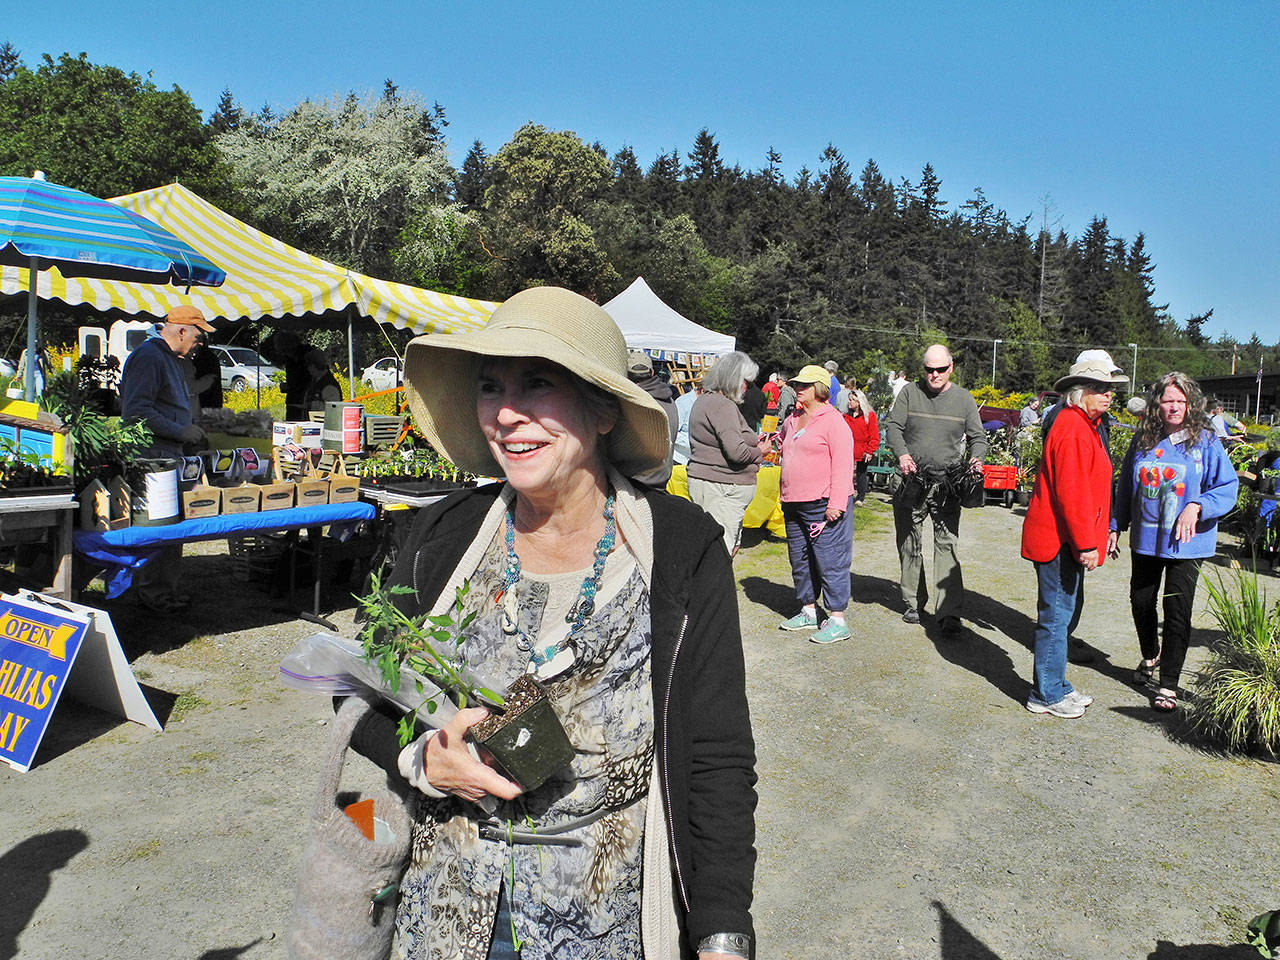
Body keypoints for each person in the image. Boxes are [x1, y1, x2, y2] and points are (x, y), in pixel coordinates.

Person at [350, 286, 757, 960]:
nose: (506, 414)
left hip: (605, 924)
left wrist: (722, 933)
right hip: (446, 916)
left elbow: (717, 754)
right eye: (490, 387)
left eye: (538, 384)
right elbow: (357, 686)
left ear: (604, 410)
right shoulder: (443, 537)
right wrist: (421, 757)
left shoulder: (682, 550)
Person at [1110, 372, 1238, 713]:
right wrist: (1115, 525)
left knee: (1177, 612)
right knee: (1141, 601)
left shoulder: (1206, 441)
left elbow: (1227, 488)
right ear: (1157, 404)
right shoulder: (1143, 440)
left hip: (1187, 543)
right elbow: (1125, 486)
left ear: (1191, 404)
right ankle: (1150, 654)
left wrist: (1197, 506)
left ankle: (1168, 685)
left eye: (1181, 401)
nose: (1175, 407)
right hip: (1147, 541)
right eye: (1168, 400)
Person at [1020, 355, 1129, 718]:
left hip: (1064, 539)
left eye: (1110, 389)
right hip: (1059, 541)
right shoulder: (1072, 427)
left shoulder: (1085, 424)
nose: (1108, 394)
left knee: (1061, 614)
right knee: (1056, 615)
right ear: (1080, 392)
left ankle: (1055, 683)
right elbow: (1073, 495)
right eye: (1100, 388)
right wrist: (1086, 543)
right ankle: (1046, 693)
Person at [884, 344, 987, 633]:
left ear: (951, 368)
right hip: (911, 482)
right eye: (929, 369)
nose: (935, 375)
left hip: (948, 485)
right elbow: (893, 427)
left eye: (941, 369)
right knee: (908, 543)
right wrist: (902, 455)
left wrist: (976, 460)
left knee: (947, 546)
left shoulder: (964, 399)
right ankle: (913, 603)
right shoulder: (909, 393)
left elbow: (978, 437)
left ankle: (948, 613)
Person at [119, 304, 213, 613]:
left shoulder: (171, 358)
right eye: (198, 337)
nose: (201, 344)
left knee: (170, 531)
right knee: (157, 530)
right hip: (152, 459)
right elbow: (136, 412)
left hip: (167, 456)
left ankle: (163, 592)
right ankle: (152, 595)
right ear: (182, 330)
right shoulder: (148, 357)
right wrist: (180, 431)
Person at [776, 364, 855, 644]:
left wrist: (836, 503)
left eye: (805, 385)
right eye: (797, 383)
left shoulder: (834, 422)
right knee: (800, 559)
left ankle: (837, 619)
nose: (798, 388)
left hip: (823, 503)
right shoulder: (792, 418)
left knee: (831, 560)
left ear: (820, 389)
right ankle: (809, 611)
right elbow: (784, 443)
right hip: (793, 502)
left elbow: (844, 466)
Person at [687, 351, 768, 557]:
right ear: (733, 379)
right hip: (722, 489)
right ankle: (713, 590)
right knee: (719, 553)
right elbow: (736, 452)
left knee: (713, 549)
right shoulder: (722, 405)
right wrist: (760, 452)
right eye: (746, 382)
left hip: (714, 486)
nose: (747, 388)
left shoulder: (706, 400)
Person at [626, 349, 679, 487]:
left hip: (636, 483)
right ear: (652, 373)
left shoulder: (634, 402)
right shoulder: (669, 400)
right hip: (662, 479)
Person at [844, 389, 880, 507]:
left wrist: (870, 450)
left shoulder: (869, 416)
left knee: (861, 473)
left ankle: (860, 496)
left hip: (862, 448)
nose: (849, 402)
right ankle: (845, 494)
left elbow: (874, 435)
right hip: (848, 448)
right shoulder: (846, 416)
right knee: (846, 472)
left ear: (858, 402)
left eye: (851, 400)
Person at [301, 348, 342, 414]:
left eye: (309, 365)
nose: (308, 369)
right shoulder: (314, 381)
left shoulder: (329, 385)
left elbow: (333, 410)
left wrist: (310, 405)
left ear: (316, 365)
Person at [671, 383, 699, 466]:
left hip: (698, 459)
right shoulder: (683, 402)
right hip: (680, 459)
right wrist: (693, 443)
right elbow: (673, 432)